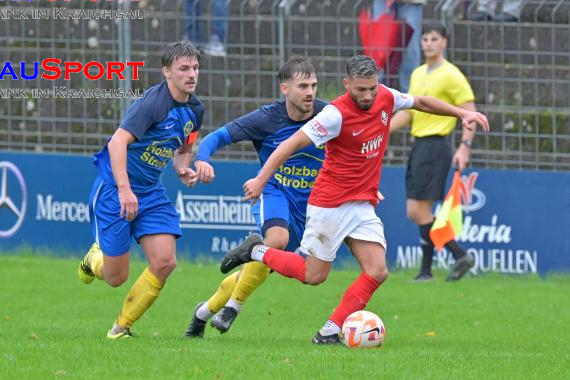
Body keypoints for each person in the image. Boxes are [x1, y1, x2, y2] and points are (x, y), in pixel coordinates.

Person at [219, 55, 489, 344]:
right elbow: (291, 143)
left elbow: (421, 101)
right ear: (347, 84)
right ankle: (256, 251)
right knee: (314, 275)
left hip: (361, 204)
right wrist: (261, 180)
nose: (368, 95)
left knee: (377, 270)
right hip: (330, 205)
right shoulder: (334, 115)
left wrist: (461, 114)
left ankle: (329, 331)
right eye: (361, 89)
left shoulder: (386, 96)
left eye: (372, 88)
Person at [184, 57, 327, 337]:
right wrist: (202, 159)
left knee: (258, 266)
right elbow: (216, 137)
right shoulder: (266, 118)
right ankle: (234, 308)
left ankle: (202, 314)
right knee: (276, 241)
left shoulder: (328, 115)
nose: (310, 92)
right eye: (303, 86)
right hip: (272, 192)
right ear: (284, 89)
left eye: (313, 85)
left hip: (310, 207)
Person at [77, 40, 204, 339]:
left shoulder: (196, 109)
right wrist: (124, 190)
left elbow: (183, 148)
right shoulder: (153, 103)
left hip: (150, 190)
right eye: (183, 68)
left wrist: (182, 168)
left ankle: (121, 328)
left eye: (195, 67)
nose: (191, 74)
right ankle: (93, 259)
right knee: (115, 277)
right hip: (115, 189)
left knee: (165, 261)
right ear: (166, 72)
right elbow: (117, 142)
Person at [390, 22, 479, 282]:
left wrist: (465, 146)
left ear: (444, 43)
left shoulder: (452, 75)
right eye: (425, 38)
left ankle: (457, 255)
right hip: (419, 145)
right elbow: (408, 112)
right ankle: (428, 271)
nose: (428, 43)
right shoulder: (418, 74)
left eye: (434, 39)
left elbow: (469, 112)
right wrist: (381, 129)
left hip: (436, 144)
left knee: (418, 210)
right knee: (418, 210)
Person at [372, 0, 426, 92]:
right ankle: (376, 95)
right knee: (379, 49)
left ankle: (410, 97)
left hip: (412, 2)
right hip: (382, 2)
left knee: (410, 51)